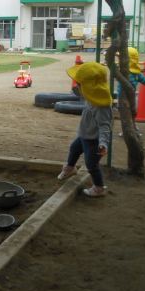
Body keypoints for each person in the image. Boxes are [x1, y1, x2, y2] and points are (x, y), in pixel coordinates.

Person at [58, 62, 113, 198]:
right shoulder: (90, 95)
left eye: (81, 84)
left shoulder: (101, 106)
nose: (78, 86)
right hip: (84, 135)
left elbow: (105, 127)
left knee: (91, 164)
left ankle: (99, 188)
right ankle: (70, 169)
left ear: (89, 86)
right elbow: (78, 92)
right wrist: (78, 82)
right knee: (74, 149)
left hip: (94, 140)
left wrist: (103, 143)